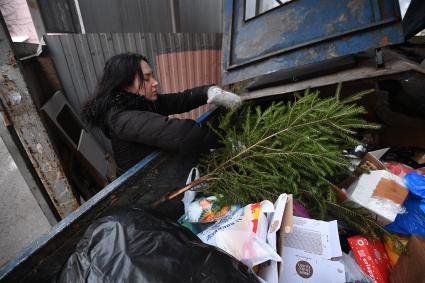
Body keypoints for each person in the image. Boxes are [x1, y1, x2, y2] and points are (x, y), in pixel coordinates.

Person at [83, 53, 241, 174]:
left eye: (151, 75)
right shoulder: (122, 118)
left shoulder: (142, 101)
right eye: (146, 78)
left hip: (160, 173)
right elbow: (181, 134)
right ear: (125, 85)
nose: (155, 82)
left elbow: (181, 100)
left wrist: (209, 91)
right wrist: (227, 140)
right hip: (144, 188)